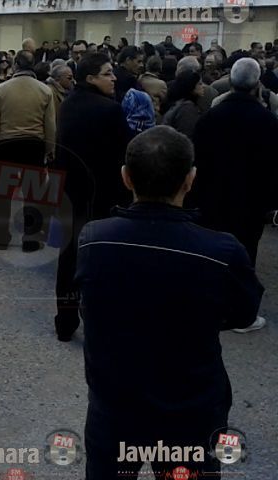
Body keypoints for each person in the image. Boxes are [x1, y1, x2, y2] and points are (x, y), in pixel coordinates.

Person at [77, 126, 264, 480]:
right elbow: (244, 312)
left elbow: (92, 303)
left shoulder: (94, 240)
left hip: (115, 405)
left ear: (126, 177)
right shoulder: (221, 251)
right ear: (189, 180)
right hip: (191, 409)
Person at [191, 58, 278, 334]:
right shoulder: (267, 120)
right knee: (245, 252)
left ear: (230, 82)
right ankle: (241, 313)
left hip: (212, 197)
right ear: (257, 83)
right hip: (251, 200)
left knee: (213, 250)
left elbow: (196, 158)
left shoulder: (210, 117)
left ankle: (209, 302)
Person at [51, 53, 131, 342]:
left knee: (69, 259)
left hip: (70, 194)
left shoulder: (68, 104)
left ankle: (65, 320)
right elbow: (124, 155)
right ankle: (97, 319)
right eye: (107, 73)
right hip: (101, 197)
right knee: (100, 260)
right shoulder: (110, 110)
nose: (114, 78)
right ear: (90, 78)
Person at [0, 50, 56, 252]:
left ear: (15, 65)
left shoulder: (1, 89)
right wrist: (49, 148)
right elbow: (50, 125)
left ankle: (1, 237)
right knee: (33, 195)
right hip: (33, 146)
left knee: (3, 195)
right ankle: (31, 238)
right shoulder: (45, 90)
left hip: (7, 145)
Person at [163, 70, 204, 137]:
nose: (203, 86)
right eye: (199, 84)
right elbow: (187, 134)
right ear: (191, 86)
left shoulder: (180, 103)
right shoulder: (187, 108)